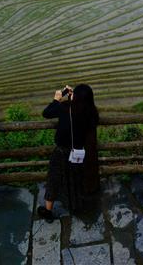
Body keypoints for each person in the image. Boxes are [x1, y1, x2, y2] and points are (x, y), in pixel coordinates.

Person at [37, 84, 99, 222]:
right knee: (75, 179)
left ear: (74, 96)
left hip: (61, 152)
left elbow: (46, 113)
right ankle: (76, 205)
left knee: (54, 179)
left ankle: (48, 210)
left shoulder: (66, 108)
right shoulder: (92, 112)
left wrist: (57, 98)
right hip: (79, 153)